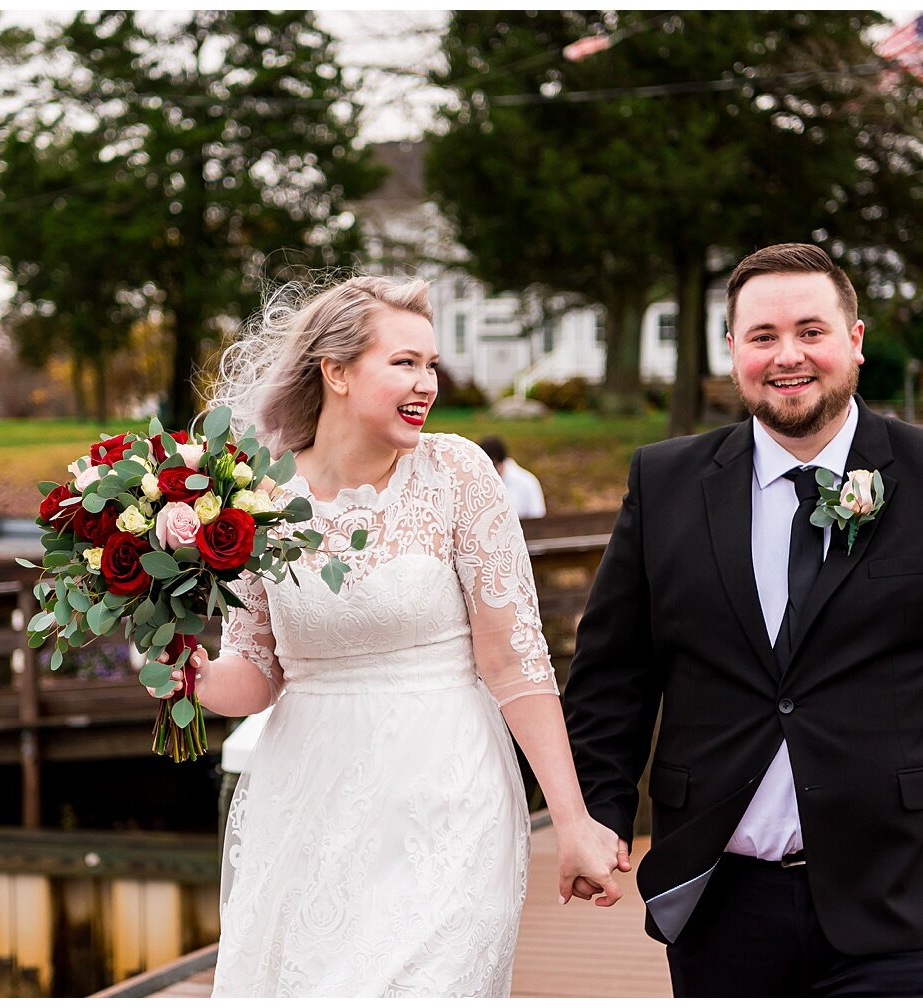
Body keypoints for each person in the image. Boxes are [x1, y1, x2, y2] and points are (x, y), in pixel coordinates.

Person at [561, 243, 923, 997]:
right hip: (722, 903)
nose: (788, 356)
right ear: (732, 351)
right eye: (762, 336)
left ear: (854, 341)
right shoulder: (663, 484)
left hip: (915, 894)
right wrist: (597, 814)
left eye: (811, 331)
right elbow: (612, 676)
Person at [168, 275, 625, 997]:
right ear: (337, 371)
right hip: (308, 799)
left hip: (447, 798)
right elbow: (255, 672)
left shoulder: (459, 475)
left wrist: (572, 822)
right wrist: (183, 668)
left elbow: (515, 661)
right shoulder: (255, 499)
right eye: (404, 362)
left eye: (431, 365)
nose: (426, 384)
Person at [479, 435, 548, 519]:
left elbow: (537, 516)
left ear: (501, 461)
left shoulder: (527, 482)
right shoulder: (477, 482)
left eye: (493, 466)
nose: (490, 471)